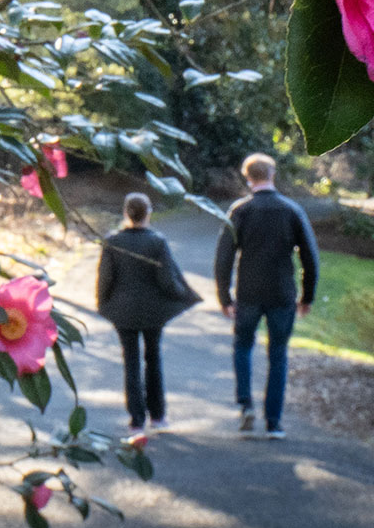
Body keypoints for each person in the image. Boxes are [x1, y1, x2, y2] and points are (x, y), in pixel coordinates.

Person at [212, 153, 318, 439]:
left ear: (249, 178)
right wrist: (307, 297)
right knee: (278, 355)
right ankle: (274, 422)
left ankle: (246, 405)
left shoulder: (240, 211)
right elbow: (310, 257)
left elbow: (223, 256)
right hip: (282, 293)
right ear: (272, 175)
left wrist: (224, 296)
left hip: (248, 293)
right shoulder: (292, 210)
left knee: (243, 347)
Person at [95, 191, 200, 438]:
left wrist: (103, 304)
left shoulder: (113, 242)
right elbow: (167, 281)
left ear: (125, 213)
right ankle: (158, 416)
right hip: (154, 312)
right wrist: (184, 295)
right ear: (148, 213)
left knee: (130, 361)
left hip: (123, 312)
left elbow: (105, 279)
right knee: (153, 359)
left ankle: (136, 420)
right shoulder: (157, 242)